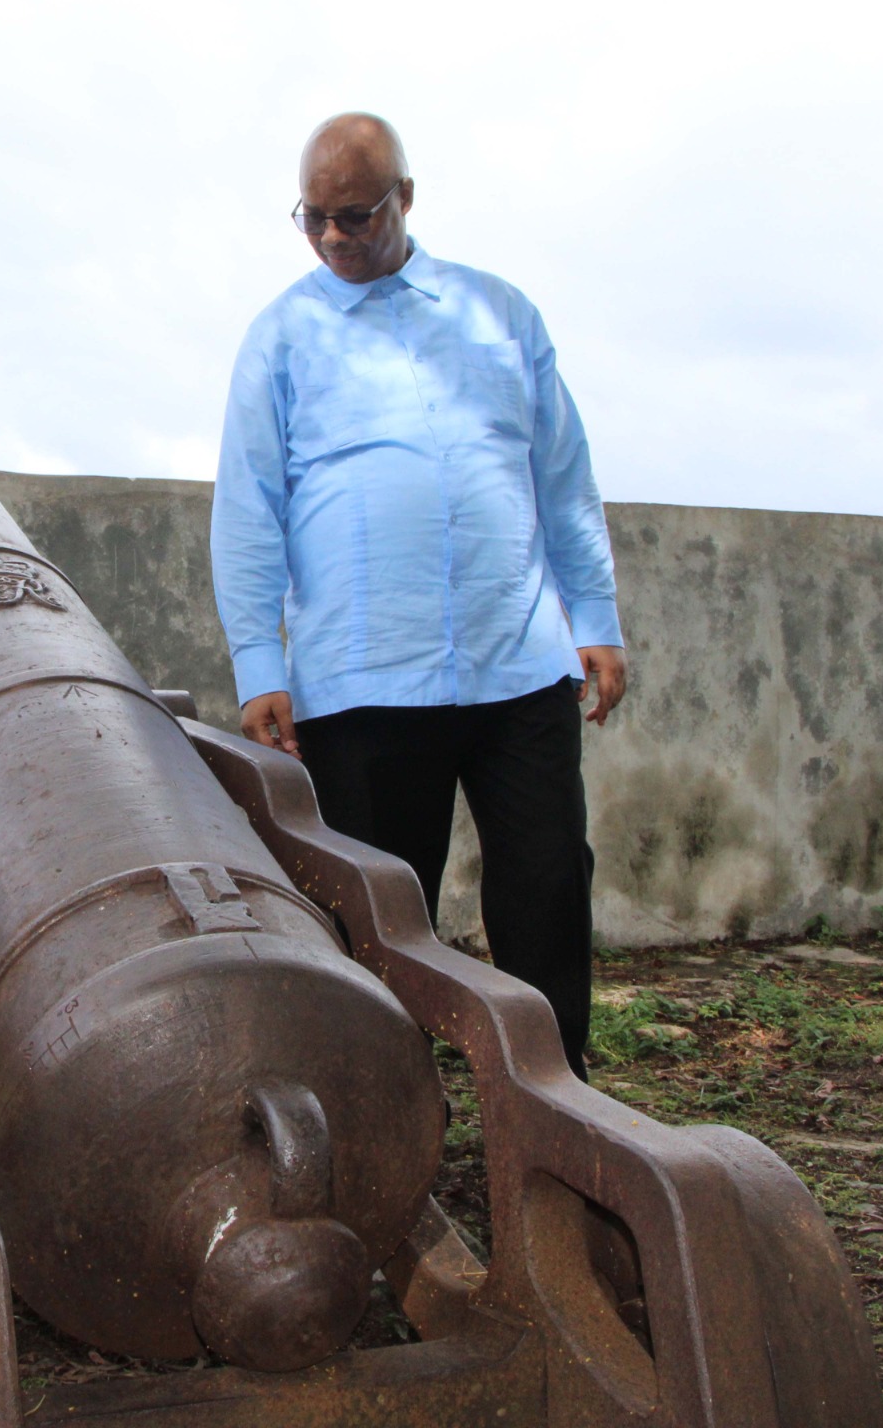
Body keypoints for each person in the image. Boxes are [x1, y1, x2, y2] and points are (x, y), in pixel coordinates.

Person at [209, 113, 627, 1080]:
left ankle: (557, 1101)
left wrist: (593, 619)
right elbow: (248, 511)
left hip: (516, 662)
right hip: (364, 682)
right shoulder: (280, 337)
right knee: (381, 919)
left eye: (354, 216)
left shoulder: (500, 314)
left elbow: (560, 477)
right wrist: (257, 662)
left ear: (405, 198)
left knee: (548, 888)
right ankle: (388, 1119)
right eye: (311, 219)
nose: (332, 240)